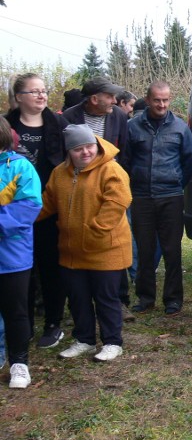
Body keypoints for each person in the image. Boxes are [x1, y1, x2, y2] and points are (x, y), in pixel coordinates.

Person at [39, 125, 132, 362]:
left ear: (96, 144)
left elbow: (118, 201)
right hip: (71, 250)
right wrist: (22, 216)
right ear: (69, 151)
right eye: (78, 149)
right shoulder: (59, 173)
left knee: (106, 298)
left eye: (89, 146)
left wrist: (95, 230)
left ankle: (112, 342)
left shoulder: (111, 169)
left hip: (105, 248)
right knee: (78, 297)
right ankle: (85, 339)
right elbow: (46, 202)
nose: (86, 153)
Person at [6, 73, 69, 348]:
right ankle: (23, 324)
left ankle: (54, 323)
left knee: (50, 266)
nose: (42, 96)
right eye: (34, 92)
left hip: (49, 208)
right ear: (19, 97)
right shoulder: (5, 125)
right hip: (12, 211)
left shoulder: (59, 124)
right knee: (21, 270)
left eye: (43, 91)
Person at [61, 76, 133, 314]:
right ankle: (81, 299)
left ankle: (120, 299)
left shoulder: (119, 116)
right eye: (110, 96)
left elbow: (125, 151)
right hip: (78, 188)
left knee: (114, 242)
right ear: (94, 99)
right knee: (82, 237)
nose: (115, 100)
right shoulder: (69, 117)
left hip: (109, 185)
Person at [127, 81, 192, 316]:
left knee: (172, 250)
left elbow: (190, 161)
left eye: (166, 100)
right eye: (157, 100)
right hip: (141, 197)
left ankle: (173, 299)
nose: (162, 104)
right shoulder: (132, 127)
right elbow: (125, 161)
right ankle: (145, 297)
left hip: (171, 197)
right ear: (148, 100)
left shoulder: (179, 128)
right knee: (145, 250)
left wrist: (176, 182)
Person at [0, 117, 43, 388]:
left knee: (15, 311)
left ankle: (19, 363)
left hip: (12, 257)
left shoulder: (19, 167)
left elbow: (27, 208)